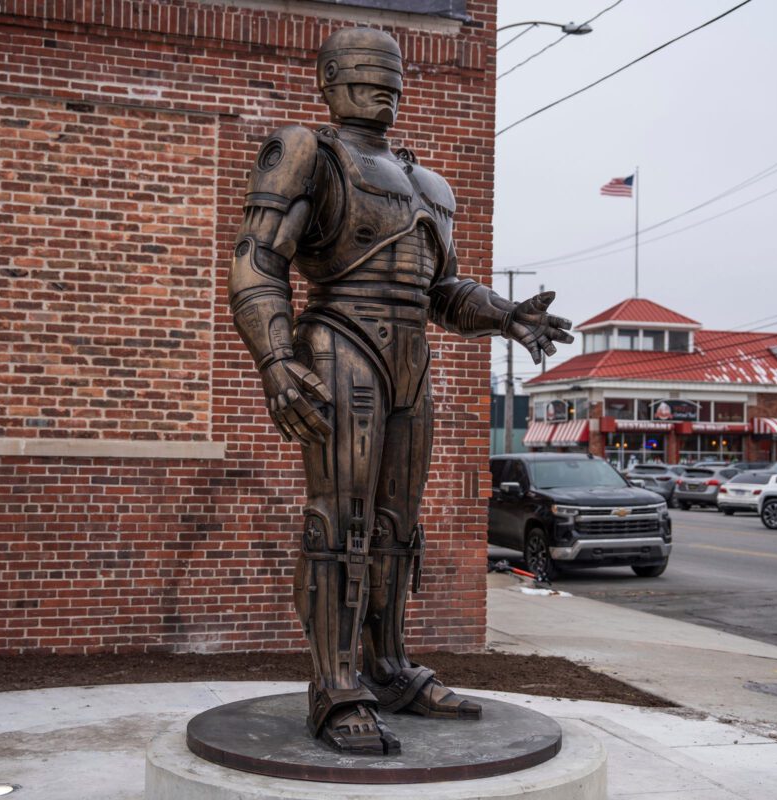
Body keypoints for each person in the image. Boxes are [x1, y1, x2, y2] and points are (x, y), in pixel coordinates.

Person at [227, 27, 573, 754]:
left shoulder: (427, 183)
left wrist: (506, 314)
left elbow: (439, 290)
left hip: (410, 361)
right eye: (362, 71)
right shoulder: (307, 152)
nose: (380, 84)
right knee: (342, 520)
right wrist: (275, 359)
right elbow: (259, 263)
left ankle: (385, 666)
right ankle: (335, 685)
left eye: (389, 72)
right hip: (340, 343)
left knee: (396, 526)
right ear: (330, 78)